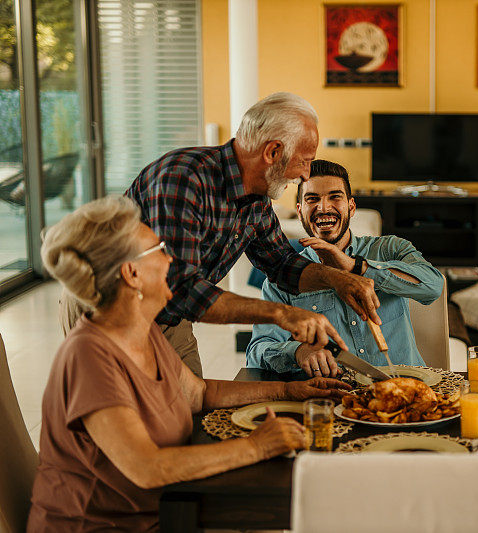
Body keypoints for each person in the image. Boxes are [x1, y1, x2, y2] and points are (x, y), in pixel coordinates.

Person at [28, 196, 350, 531]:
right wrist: (257, 445)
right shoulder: (89, 357)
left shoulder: (144, 329)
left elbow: (200, 393)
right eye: (159, 250)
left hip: (164, 512)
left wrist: (290, 390)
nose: (172, 259)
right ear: (132, 273)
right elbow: (148, 467)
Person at [124, 92, 380, 377]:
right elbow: (180, 289)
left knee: (188, 415)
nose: (306, 175)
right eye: (304, 161)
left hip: (171, 319)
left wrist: (338, 278)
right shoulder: (184, 179)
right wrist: (282, 314)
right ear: (272, 152)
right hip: (117, 313)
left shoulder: (257, 199)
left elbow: (282, 264)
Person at [247, 160, 444, 377]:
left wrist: (356, 266)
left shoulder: (390, 248)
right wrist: (298, 351)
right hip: (336, 398)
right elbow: (257, 352)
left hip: (407, 389)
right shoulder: (284, 277)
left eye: (335, 197)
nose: (323, 208)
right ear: (300, 210)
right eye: (312, 199)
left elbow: (433, 286)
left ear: (351, 207)